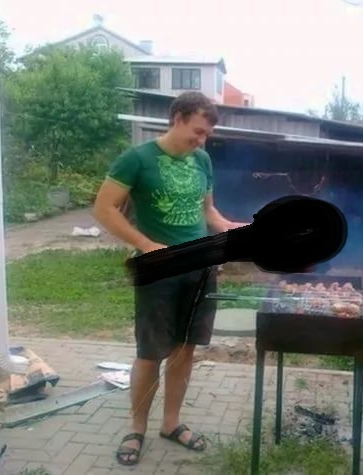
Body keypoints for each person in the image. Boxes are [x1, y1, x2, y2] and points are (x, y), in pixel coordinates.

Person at [92, 91, 248, 466]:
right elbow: (104, 208)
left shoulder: (202, 160)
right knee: (150, 353)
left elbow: (208, 213)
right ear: (177, 118)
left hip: (199, 267)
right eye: (197, 131)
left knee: (184, 350)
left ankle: (171, 423)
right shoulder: (137, 159)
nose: (202, 140)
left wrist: (232, 228)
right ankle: (136, 428)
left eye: (207, 134)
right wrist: (146, 245)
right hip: (159, 270)